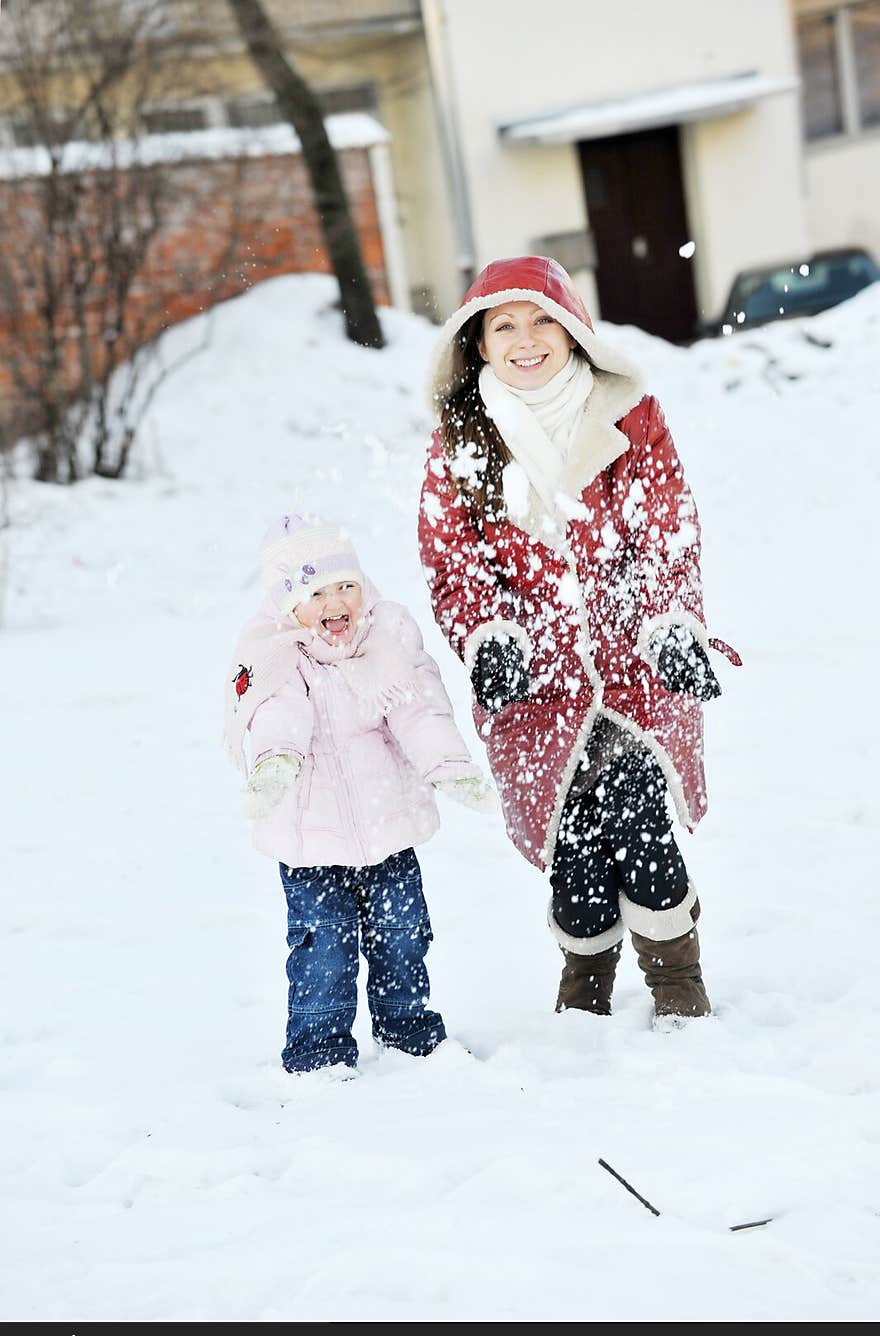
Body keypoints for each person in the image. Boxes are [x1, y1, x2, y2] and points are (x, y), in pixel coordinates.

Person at [417, 256, 739, 1021]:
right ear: (478, 343)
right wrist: (488, 636)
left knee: (642, 824)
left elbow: (667, 531)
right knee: (577, 856)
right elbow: (452, 562)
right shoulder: (458, 445)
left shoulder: (630, 417)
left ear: (572, 331)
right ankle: (586, 990)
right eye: (504, 326)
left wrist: (668, 622)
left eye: (542, 321)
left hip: (634, 673)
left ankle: (676, 986)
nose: (526, 340)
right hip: (534, 692)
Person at [224, 512, 497, 1074]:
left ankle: (409, 1034)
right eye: (315, 591)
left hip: (388, 827)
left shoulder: (386, 639)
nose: (335, 602)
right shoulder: (278, 656)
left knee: (403, 935)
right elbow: (278, 714)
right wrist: (275, 763)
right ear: (286, 605)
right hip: (311, 843)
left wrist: (448, 765)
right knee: (323, 951)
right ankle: (319, 1052)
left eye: (346, 585)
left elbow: (418, 706)